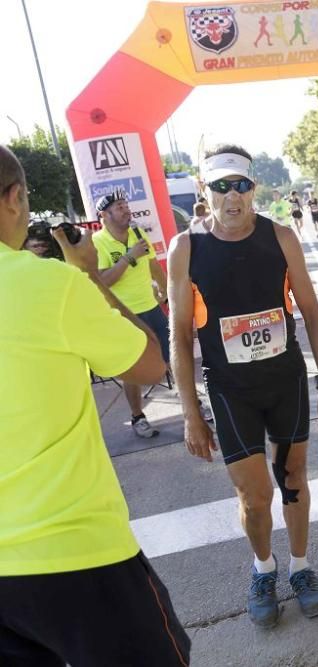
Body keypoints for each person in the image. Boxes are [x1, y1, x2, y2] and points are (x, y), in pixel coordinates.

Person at [0, 145, 190, 665]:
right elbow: (151, 365)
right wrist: (83, 274)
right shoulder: (48, 283)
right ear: (15, 198)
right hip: (73, 553)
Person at [167, 145, 318, 628]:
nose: (232, 197)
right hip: (230, 390)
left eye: (240, 185)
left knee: (293, 480)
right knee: (254, 496)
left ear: (253, 189)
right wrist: (190, 412)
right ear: (206, 191)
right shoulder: (185, 249)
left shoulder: (281, 238)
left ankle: (301, 568)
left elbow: (311, 313)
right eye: (220, 186)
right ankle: (263, 568)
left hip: (284, 382)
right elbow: (180, 337)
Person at [92, 188, 173, 439]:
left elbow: (152, 265)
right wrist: (128, 257)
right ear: (104, 215)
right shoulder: (98, 242)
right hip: (125, 315)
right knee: (133, 368)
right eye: (119, 207)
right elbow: (102, 281)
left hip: (151, 308)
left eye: (126, 205)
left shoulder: (137, 233)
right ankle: (138, 416)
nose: (126, 209)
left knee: (174, 358)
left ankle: (194, 406)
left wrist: (165, 290)